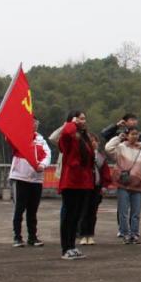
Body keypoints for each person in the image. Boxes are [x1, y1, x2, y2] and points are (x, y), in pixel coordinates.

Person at [57, 111, 95, 260]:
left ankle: (72, 246)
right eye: (80, 118)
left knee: (76, 216)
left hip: (83, 182)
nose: (83, 121)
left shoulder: (84, 137)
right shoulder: (68, 137)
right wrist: (72, 123)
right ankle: (65, 248)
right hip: (71, 181)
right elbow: (66, 132)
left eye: (84, 118)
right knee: (68, 216)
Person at [8, 117, 51, 247]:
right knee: (19, 209)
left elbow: (47, 154)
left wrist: (42, 165)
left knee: (32, 210)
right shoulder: (19, 137)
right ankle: (17, 237)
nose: (34, 125)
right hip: (20, 177)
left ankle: (32, 237)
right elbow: (9, 137)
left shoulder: (40, 139)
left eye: (36, 123)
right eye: (32, 123)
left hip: (36, 179)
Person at [105, 126, 141, 243]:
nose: (135, 136)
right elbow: (108, 148)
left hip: (138, 185)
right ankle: (125, 233)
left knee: (136, 212)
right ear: (127, 135)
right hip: (123, 184)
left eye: (136, 134)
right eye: (132, 134)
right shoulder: (121, 147)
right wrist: (118, 138)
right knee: (123, 211)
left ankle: (134, 234)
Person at [77, 133, 111, 246]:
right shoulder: (82, 155)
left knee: (92, 213)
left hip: (96, 188)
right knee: (83, 212)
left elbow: (105, 173)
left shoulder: (101, 157)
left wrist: (104, 186)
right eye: (90, 141)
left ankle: (90, 235)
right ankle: (83, 235)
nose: (92, 143)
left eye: (94, 141)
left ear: (98, 143)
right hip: (84, 187)